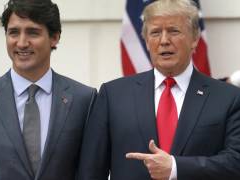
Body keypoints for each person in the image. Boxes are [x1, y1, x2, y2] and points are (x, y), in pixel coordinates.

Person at [78, 0, 240, 179]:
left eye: (173, 31)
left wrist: (175, 168)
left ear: (195, 39)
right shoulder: (113, 95)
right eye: (155, 32)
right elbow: (90, 171)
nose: (164, 41)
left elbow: (235, 162)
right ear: (146, 41)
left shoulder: (228, 97)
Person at [0, 0, 96, 179]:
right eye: (13, 32)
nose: (21, 43)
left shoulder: (85, 100)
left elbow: (89, 173)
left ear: (54, 37)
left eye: (32, 32)